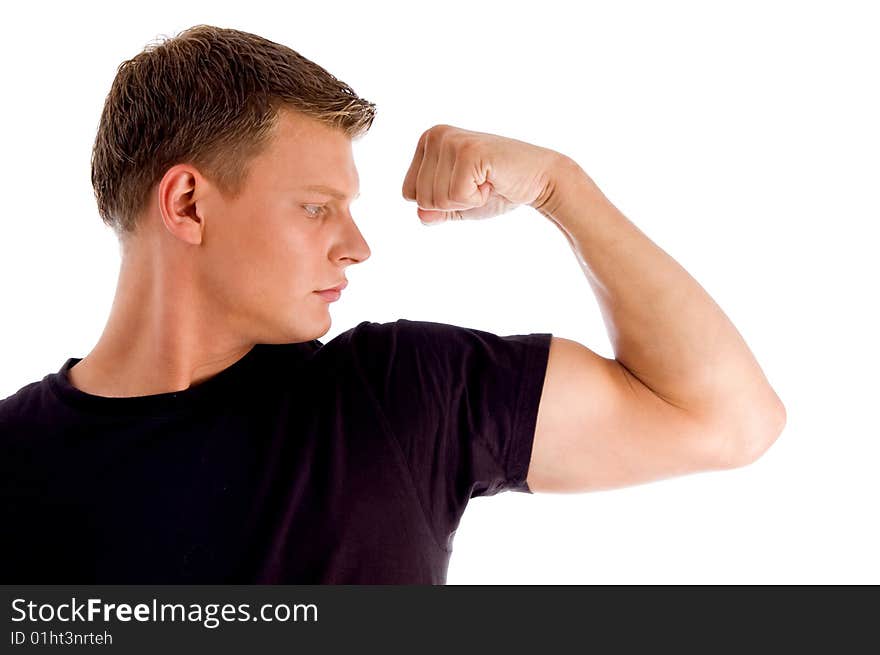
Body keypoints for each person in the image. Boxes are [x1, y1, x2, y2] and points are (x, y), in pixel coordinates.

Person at [0, 24, 785, 584]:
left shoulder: (398, 394)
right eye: (316, 207)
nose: (356, 246)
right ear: (190, 205)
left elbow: (727, 420)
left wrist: (558, 186)